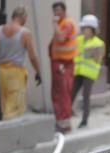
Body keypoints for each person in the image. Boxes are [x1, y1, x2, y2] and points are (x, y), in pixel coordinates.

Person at [0, 5, 41, 120]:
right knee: (14, 107)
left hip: (1, 71)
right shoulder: (25, 33)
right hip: (16, 72)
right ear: (23, 17)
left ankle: (5, 127)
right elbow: (33, 57)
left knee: (5, 104)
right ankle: (8, 133)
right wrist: (38, 72)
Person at [71, 14, 105, 128]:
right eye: (83, 27)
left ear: (92, 29)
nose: (84, 30)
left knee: (86, 96)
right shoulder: (78, 39)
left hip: (89, 74)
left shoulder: (99, 43)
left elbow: (98, 60)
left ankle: (84, 121)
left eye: (86, 27)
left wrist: (94, 52)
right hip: (78, 71)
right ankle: (66, 117)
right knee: (71, 94)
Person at [49, 2, 77, 133]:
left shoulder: (67, 24)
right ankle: (60, 121)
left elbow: (61, 38)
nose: (56, 14)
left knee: (63, 93)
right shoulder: (61, 24)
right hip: (59, 63)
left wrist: (54, 23)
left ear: (64, 11)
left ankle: (64, 124)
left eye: (58, 11)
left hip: (64, 64)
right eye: (54, 11)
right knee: (57, 93)